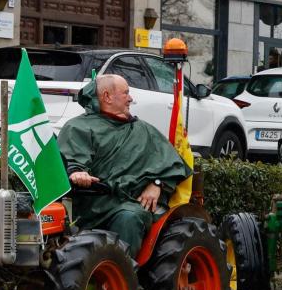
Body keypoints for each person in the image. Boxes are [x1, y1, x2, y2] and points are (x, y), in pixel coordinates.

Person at [59, 73, 191, 253]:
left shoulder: (143, 129)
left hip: (128, 206)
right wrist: (76, 172)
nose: (131, 98)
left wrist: (157, 183)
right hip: (90, 207)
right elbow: (71, 161)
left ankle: (124, 277)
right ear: (107, 96)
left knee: (129, 217)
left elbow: (173, 165)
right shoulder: (77, 127)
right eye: (125, 93)